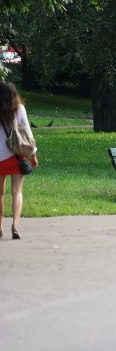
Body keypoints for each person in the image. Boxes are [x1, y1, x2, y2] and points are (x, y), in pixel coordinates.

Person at [0, 82, 38, 240]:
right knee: (17, 192)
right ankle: (15, 225)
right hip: (16, 155)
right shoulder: (20, 109)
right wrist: (33, 155)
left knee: (0, 194)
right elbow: (27, 133)